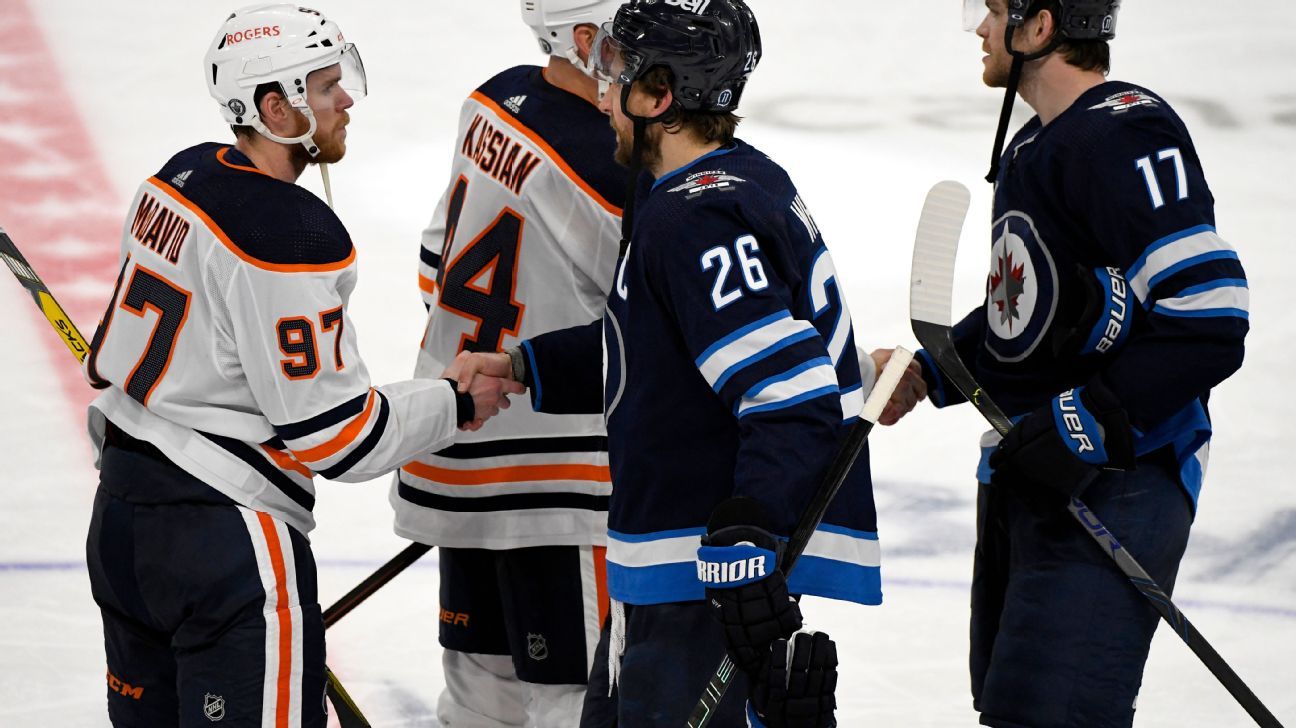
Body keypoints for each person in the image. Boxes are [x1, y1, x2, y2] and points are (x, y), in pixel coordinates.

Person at [446, 2, 926, 726]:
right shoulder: (728, 180)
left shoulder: (693, 216)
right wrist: (524, 366)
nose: (603, 93)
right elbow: (653, 349)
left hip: (696, 579)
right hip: (667, 574)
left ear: (659, 93)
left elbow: (788, 396)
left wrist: (746, 540)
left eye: (617, 72)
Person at [81, 5, 520, 726]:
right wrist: (455, 401)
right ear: (274, 106)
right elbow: (337, 437)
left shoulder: (176, 178)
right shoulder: (288, 231)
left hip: (121, 527)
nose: (345, 99)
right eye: (324, 86)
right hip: (226, 545)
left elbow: (108, 362)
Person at [906, 2, 1249, 726]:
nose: (978, 28)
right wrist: (930, 368)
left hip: (1122, 480)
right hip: (1031, 472)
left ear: (1040, 26)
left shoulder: (1124, 130)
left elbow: (1212, 315)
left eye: (994, 11)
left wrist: (1088, 417)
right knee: (1010, 709)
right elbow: (1041, 310)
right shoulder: (1041, 142)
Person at [388, 1, 626, 725]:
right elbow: (665, 329)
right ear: (586, 39)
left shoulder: (494, 98)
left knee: (478, 699)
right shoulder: (616, 166)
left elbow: (436, 261)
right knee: (571, 703)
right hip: (558, 483)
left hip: (454, 445)